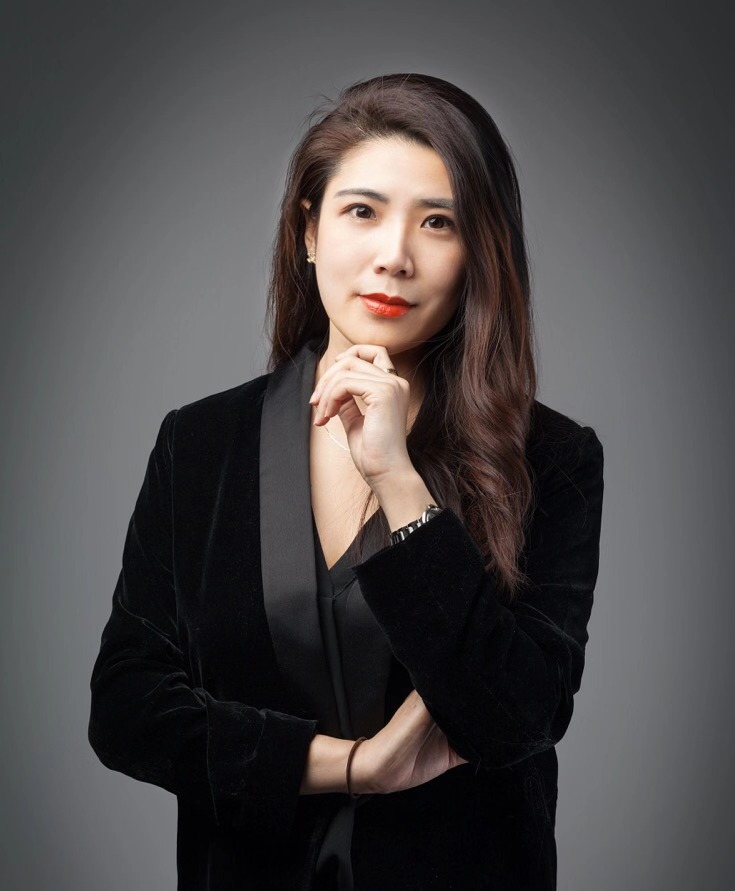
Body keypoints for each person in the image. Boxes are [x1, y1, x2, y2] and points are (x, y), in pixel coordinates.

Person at [88, 73, 605, 890]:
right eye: (362, 211)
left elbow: (514, 717)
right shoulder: (201, 443)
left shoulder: (552, 457)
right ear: (308, 230)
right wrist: (350, 765)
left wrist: (398, 479)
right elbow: (125, 708)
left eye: (437, 222)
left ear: (478, 253)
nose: (394, 256)